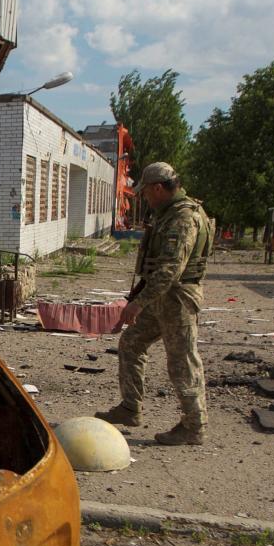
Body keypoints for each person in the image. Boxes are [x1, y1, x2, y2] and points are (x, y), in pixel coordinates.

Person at [95, 162, 213, 445]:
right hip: (159, 297)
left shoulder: (183, 218)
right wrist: (138, 298)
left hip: (177, 300)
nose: (144, 197)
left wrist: (138, 303)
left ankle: (194, 426)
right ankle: (130, 408)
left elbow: (171, 269)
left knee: (182, 363)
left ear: (158, 188)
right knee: (131, 343)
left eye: (145, 192)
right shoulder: (166, 214)